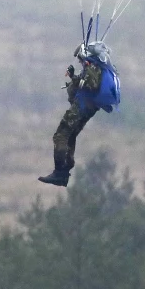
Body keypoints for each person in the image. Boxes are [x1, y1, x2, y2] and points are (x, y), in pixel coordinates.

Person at [39, 42, 119, 187]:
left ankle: (59, 173)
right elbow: (86, 85)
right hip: (88, 109)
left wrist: (75, 79)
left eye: (80, 58)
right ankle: (65, 170)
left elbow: (90, 85)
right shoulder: (97, 67)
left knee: (61, 135)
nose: (80, 61)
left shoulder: (92, 67)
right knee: (71, 135)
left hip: (81, 107)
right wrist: (73, 78)